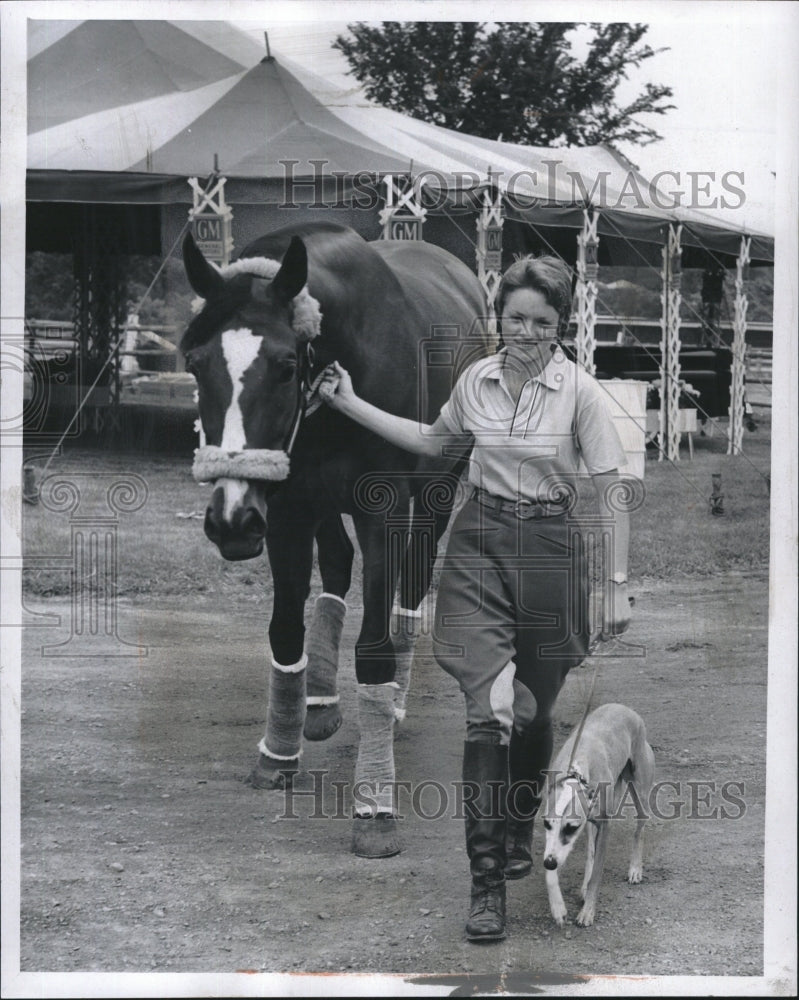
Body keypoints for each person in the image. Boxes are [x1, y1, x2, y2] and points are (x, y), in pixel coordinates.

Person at [318, 255, 632, 942]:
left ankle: (519, 825)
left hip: (550, 550)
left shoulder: (578, 392)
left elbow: (609, 492)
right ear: (499, 319)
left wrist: (614, 586)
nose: (525, 332)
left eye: (541, 322)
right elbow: (433, 441)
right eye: (514, 318)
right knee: (488, 711)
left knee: (534, 709)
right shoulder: (475, 380)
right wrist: (348, 402)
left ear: (560, 326)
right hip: (479, 543)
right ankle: (485, 878)